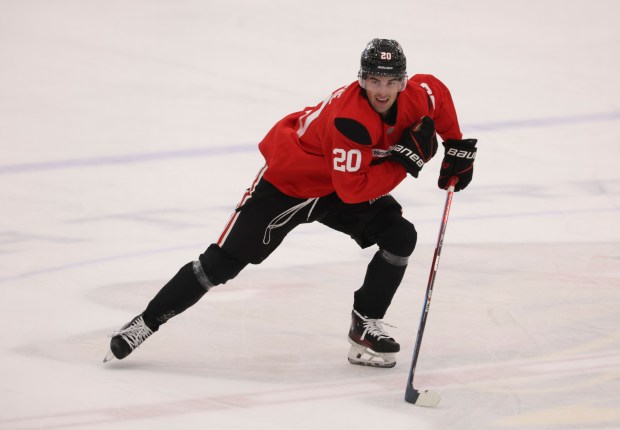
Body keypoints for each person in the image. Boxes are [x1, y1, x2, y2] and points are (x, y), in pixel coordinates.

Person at [104, 38, 477, 368]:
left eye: (392, 82)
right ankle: (145, 323)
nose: (383, 91)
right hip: (291, 183)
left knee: (400, 237)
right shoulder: (351, 120)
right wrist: (403, 162)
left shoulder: (420, 92)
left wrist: (456, 145)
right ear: (361, 80)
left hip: (340, 183)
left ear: (403, 81)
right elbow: (353, 191)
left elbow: (438, 95)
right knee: (221, 264)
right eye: (375, 81)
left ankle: (365, 325)